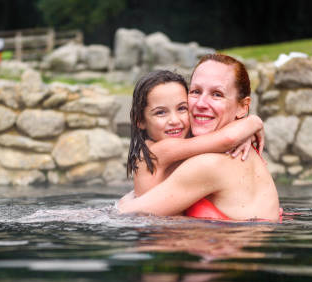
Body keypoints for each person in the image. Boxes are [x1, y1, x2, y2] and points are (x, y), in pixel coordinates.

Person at [119, 54, 280, 222]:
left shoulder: (210, 164)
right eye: (195, 91)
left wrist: (125, 201)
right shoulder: (235, 150)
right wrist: (251, 123)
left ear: (243, 107)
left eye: (217, 94)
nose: (201, 104)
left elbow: (125, 214)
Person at [126, 69, 265, 198]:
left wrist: (246, 135)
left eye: (182, 108)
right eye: (160, 112)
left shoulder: (183, 145)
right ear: (140, 121)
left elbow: (221, 138)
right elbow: (227, 139)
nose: (174, 120)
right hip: (152, 223)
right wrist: (254, 122)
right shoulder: (157, 151)